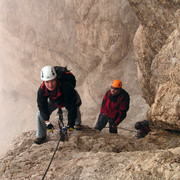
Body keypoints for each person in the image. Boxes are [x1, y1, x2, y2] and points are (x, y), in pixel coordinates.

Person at [34, 65, 82, 144]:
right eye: (47, 82)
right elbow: (42, 106)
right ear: (43, 82)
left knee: (75, 108)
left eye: (52, 81)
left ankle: (77, 123)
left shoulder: (66, 86)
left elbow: (71, 106)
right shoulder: (42, 90)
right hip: (54, 101)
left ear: (56, 79)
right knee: (39, 114)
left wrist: (71, 124)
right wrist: (47, 122)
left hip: (70, 98)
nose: (50, 85)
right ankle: (40, 136)